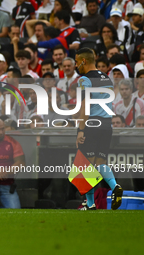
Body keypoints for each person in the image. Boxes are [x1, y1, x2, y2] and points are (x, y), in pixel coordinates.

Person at [75, 47, 123, 210]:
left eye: (76, 62)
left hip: (91, 126)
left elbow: (85, 105)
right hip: (106, 126)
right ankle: (115, 187)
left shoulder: (85, 80)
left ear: (84, 61)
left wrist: (81, 130)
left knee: (85, 165)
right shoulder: (106, 78)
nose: (76, 66)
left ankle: (90, 204)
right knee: (100, 162)